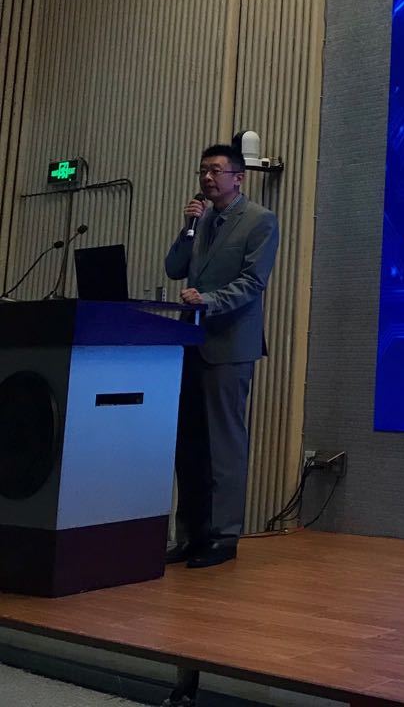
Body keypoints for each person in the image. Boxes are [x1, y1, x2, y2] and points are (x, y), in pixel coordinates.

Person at [164, 143, 280, 568]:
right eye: (203, 171)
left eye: (215, 170)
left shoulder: (260, 220)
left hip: (229, 345)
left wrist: (208, 300)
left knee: (224, 446)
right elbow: (174, 269)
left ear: (238, 177)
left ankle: (223, 536)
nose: (207, 178)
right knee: (189, 445)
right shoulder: (202, 220)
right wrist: (187, 228)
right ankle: (191, 535)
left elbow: (253, 282)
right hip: (192, 343)